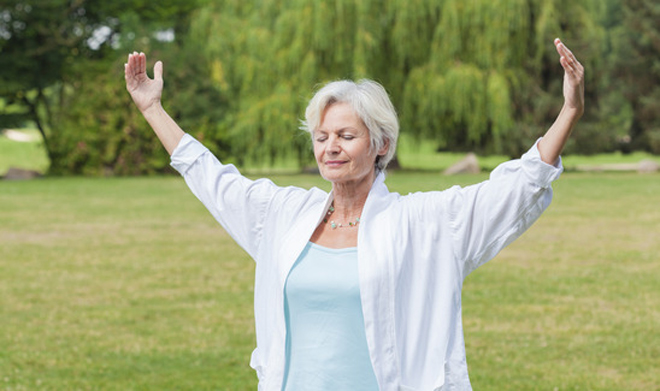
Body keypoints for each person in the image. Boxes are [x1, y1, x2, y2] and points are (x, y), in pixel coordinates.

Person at [125, 38, 584, 391]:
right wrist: (153, 109)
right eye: (322, 136)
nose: (331, 147)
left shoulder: (424, 223)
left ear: (380, 144)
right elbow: (214, 179)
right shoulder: (285, 215)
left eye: (346, 135)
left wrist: (569, 110)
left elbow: (517, 186)